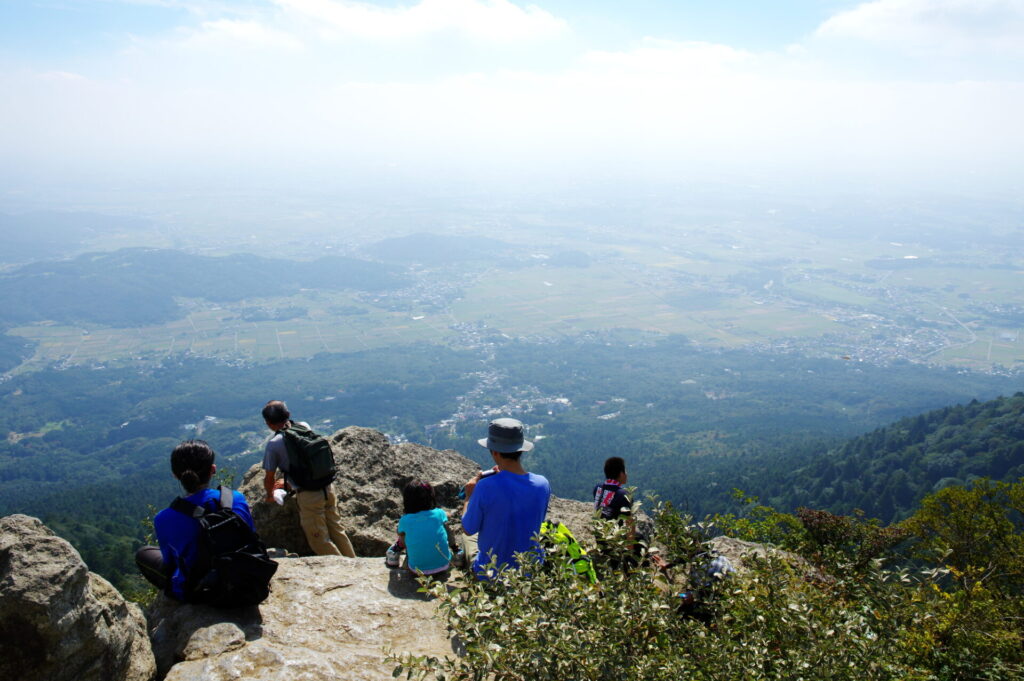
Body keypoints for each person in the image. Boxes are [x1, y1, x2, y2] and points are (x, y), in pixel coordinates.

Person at [135, 440, 255, 600]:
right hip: (245, 580)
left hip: (200, 593)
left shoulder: (165, 518)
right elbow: (250, 535)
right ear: (213, 469)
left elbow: (170, 561)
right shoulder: (235, 498)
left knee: (143, 554)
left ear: (175, 475)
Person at [261, 400, 356, 557]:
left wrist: (270, 495)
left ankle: (347, 572)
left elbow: (269, 477)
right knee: (337, 531)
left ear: (268, 423)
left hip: (309, 495)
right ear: (288, 415)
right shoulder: (304, 426)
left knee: (319, 541)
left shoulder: (274, 444)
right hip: (327, 487)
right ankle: (355, 565)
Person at [461, 417, 551, 579]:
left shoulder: (485, 487)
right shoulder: (542, 484)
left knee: (467, 540)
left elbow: (468, 529)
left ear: (494, 452)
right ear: (521, 449)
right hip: (529, 570)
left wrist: (469, 496)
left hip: (492, 573)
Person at [386, 480, 452, 576]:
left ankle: (394, 553)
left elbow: (399, 533)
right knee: (444, 528)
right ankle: (457, 551)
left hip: (417, 571)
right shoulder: (440, 513)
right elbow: (446, 519)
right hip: (444, 566)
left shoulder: (405, 520)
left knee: (404, 534)